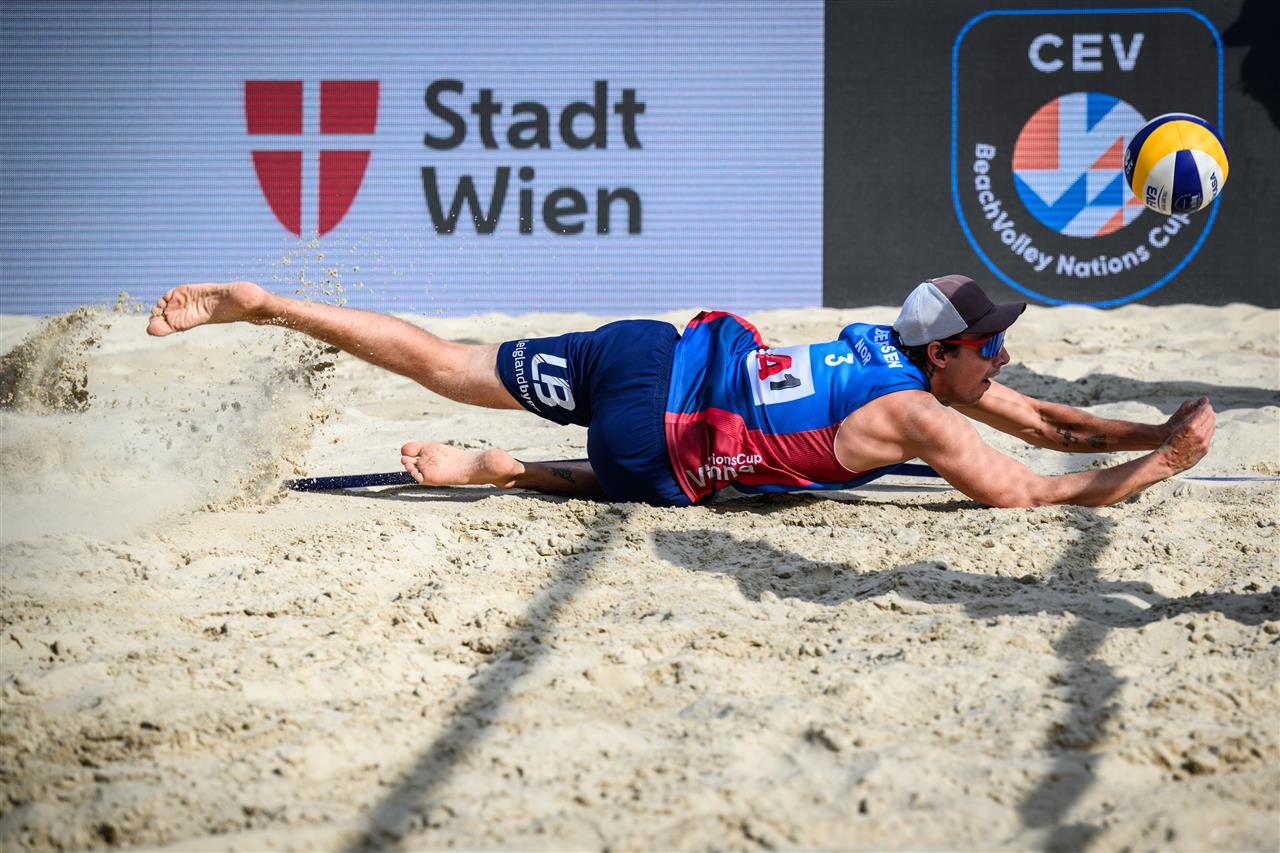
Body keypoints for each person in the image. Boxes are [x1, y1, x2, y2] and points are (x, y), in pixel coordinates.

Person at [146, 275, 1215, 508]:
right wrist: (1162, 463)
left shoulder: (886, 348)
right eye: (989, 348)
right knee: (687, 479)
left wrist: (1153, 423)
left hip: (645, 351)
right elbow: (1033, 487)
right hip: (648, 440)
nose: (1002, 360)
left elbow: (1050, 422)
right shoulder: (918, 414)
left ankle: (271, 306)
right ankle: (514, 472)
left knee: (448, 360)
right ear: (941, 358)